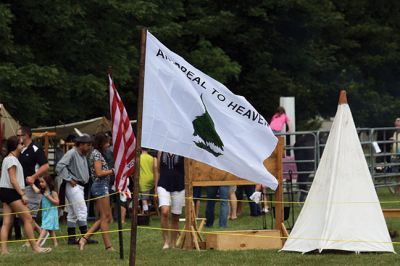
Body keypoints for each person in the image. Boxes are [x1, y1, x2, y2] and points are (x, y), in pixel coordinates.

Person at [0, 136, 51, 254]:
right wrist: (22, 194)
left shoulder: (8, 158)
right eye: (21, 143)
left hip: (5, 191)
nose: (23, 145)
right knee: (28, 218)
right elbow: (13, 180)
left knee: (7, 222)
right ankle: (35, 247)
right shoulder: (12, 160)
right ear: (16, 146)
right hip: (12, 192)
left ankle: (4, 251)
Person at [56, 134, 97, 245]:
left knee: (73, 213)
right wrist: (69, 178)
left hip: (79, 186)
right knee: (82, 210)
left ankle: (71, 239)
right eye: (88, 145)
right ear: (82, 145)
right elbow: (59, 166)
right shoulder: (72, 153)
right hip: (73, 186)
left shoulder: (82, 154)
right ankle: (85, 237)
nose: (89, 147)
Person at [78, 133, 114, 251]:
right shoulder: (96, 154)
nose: (108, 145)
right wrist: (112, 171)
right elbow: (99, 173)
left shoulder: (96, 153)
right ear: (101, 143)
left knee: (106, 216)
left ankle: (84, 238)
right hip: (100, 186)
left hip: (102, 186)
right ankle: (108, 246)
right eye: (106, 142)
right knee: (104, 217)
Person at [17, 126, 49, 238]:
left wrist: (34, 177)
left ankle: (32, 239)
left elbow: (45, 166)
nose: (18, 137)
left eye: (19, 135)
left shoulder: (36, 148)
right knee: (25, 215)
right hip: (22, 186)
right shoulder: (21, 149)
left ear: (25, 135)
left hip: (32, 186)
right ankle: (41, 234)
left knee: (30, 216)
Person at [155, 151, 185, 249]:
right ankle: (166, 241)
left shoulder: (182, 150)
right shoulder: (161, 150)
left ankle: (173, 243)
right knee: (165, 212)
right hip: (163, 183)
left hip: (179, 184)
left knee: (176, 216)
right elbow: (158, 170)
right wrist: (155, 187)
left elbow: (187, 169)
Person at [32, 174, 60, 247]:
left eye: (42, 182)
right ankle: (55, 243)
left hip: (52, 212)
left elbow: (57, 202)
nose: (40, 183)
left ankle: (37, 244)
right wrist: (31, 184)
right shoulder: (43, 191)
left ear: (47, 182)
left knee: (44, 227)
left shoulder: (53, 192)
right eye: (40, 182)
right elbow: (37, 190)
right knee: (50, 229)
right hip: (45, 213)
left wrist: (49, 197)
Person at [139, 148, 157, 214]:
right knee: (149, 197)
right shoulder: (151, 158)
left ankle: (146, 213)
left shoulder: (139, 158)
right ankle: (148, 209)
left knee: (144, 198)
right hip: (151, 178)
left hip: (143, 179)